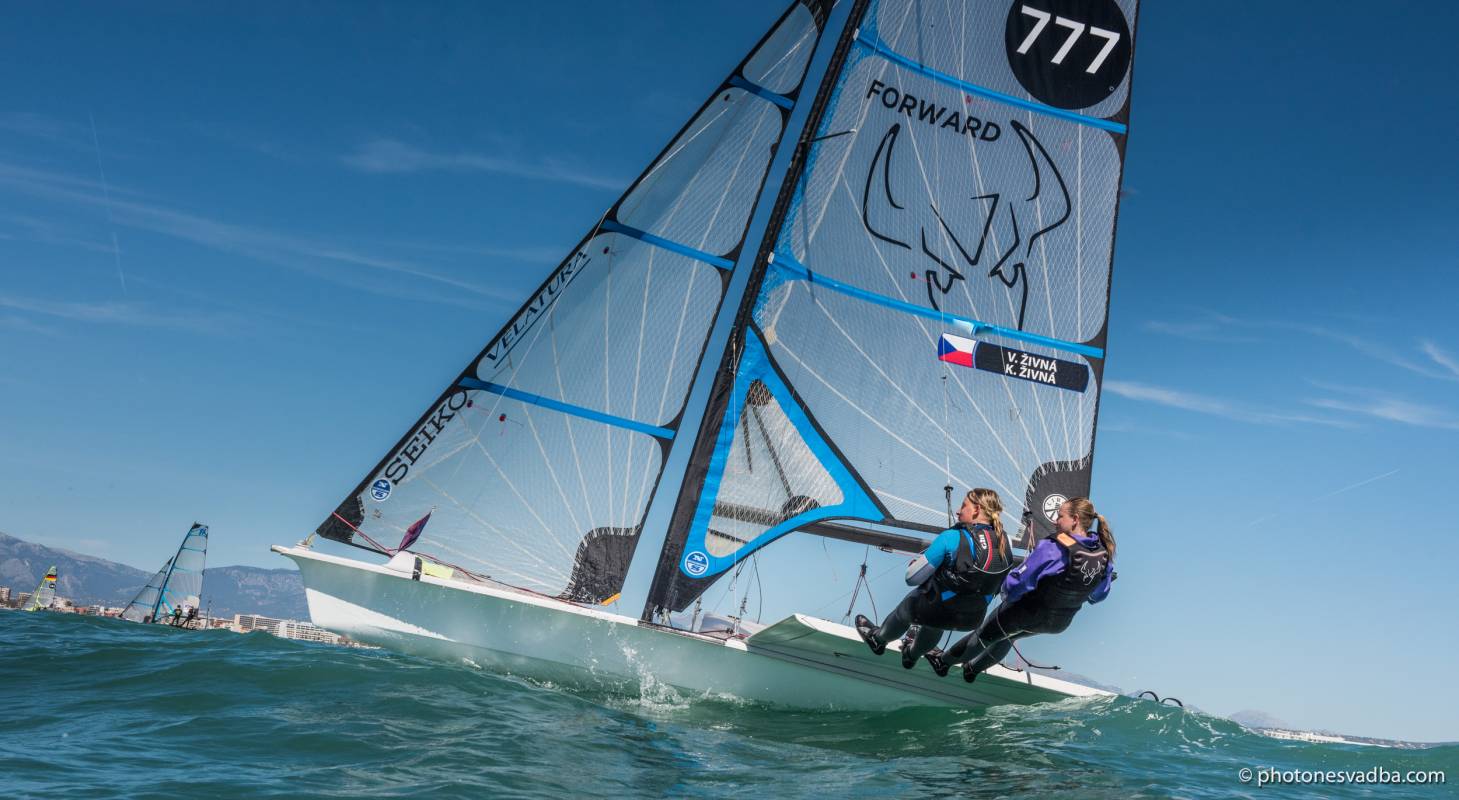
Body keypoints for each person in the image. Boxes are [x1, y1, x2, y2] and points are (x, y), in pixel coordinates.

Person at [928, 496, 1115, 682]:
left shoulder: (1053, 547)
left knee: (984, 634)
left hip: (1027, 613)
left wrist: (1004, 592)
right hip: (1059, 623)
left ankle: (942, 662)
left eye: (1060, 516)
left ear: (1075, 519)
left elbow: (1019, 582)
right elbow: (1097, 596)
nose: (1055, 521)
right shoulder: (1103, 554)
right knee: (1007, 636)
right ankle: (972, 670)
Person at [855, 488, 1013, 668]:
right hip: (973, 618)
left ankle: (878, 639)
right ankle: (911, 655)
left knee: (918, 605)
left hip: (935, 610)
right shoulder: (1005, 541)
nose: (958, 511)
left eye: (963, 506)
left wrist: (918, 566)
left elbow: (912, 578)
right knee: (940, 615)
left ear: (976, 509)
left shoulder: (951, 537)